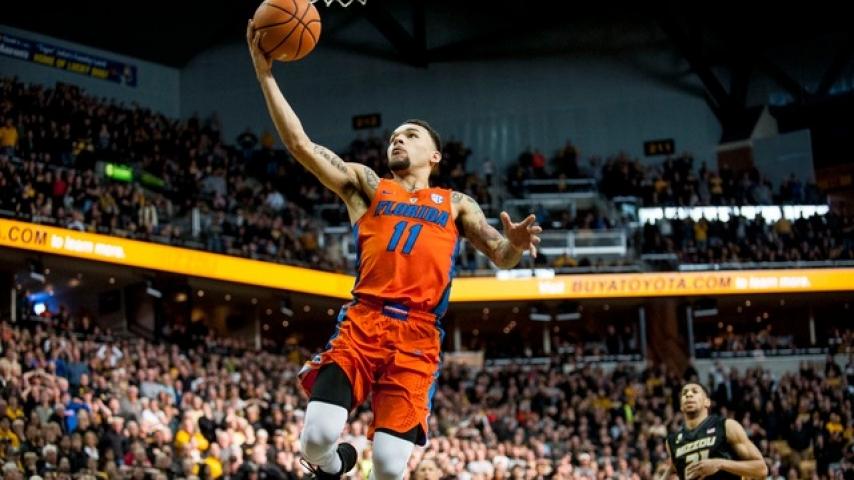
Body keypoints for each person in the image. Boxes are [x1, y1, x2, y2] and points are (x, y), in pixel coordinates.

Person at [246, 20, 542, 480]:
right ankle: (334, 466)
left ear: (435, 155)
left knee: (387, 466)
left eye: (410, 135)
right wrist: (265, 73)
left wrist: (516, 245)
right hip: (364, 321)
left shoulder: (456, 204)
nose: (397, 139)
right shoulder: (367, 186)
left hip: (418, 337)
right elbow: (300, 145)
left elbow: (501, 255)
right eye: (394, 137)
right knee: (317, 437)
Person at [659, 383, 767, 480]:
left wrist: (720, 463)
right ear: (681, 406)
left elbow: (761, 469)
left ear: (707, 402)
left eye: (695, 391)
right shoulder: (672, 442)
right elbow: (674, 467)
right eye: (684, 393)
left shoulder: (726, 426)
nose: (688, 395)